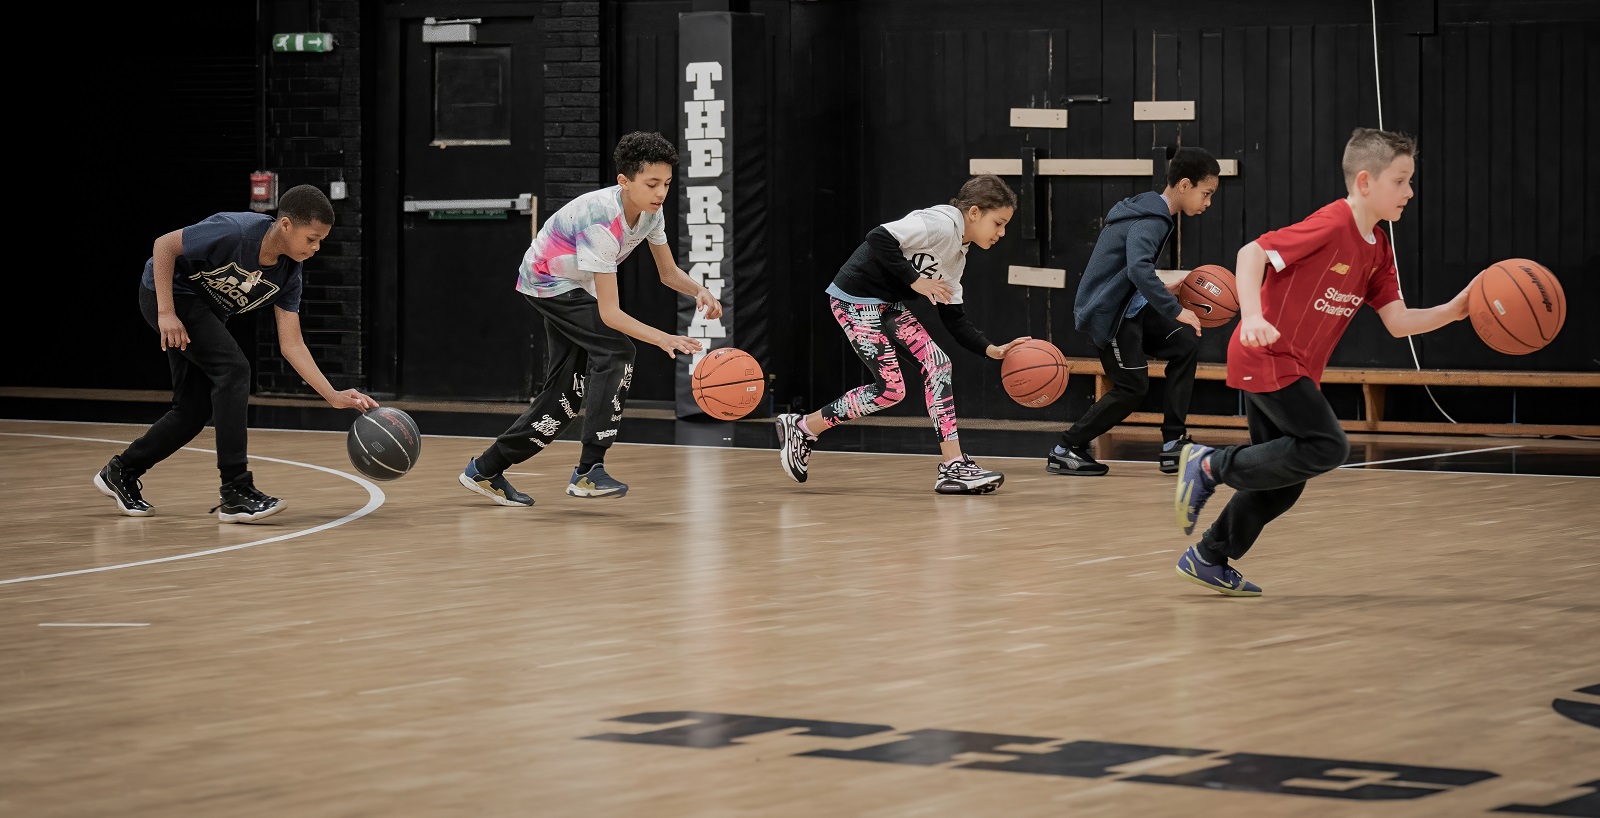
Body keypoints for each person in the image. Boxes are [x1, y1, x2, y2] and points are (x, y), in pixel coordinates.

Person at [1172, 127, 1471, 596]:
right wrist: (1251, 315)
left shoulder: (1379, 248)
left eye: (1411, 181)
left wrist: (1456, 310)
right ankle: (1210, 465)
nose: (1410, 192)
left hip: (1288, 365)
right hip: (1268, 352)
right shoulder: (1333, 222)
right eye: (1401, 180)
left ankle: (1209, 556)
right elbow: (1251, 253)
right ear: (1366, 182)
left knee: (1285, 481)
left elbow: (1397, 321)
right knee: (1328, 446)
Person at [459, 131, 722, 506]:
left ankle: (485, 469)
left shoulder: (650, 211)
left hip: (578, 287)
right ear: (624, 181)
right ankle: (588, 472)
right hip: (548, 282)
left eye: (666, 183)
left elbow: (667, 272)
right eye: (651, 184)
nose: (661, 192)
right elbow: (610, 314)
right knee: (617, 351)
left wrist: (698, 289)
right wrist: (663, 338)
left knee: (565, 395)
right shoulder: (601, 220)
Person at [94, 184, 379, 523]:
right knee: (234, 370)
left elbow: (292, 344)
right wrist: (166, 313)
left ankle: (121, 471)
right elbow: (164, 246)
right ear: (286, 225)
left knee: (193, 409)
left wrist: (331, 395)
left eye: (321, 241)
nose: (316, 248)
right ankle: (236, 490)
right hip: (169, 293)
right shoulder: (236, 231)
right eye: (311, 238)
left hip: (203, 312)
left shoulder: (290, 273)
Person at [774, 174, 1030, 494]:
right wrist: (915, 281)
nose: (1002, 233)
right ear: (975, 212)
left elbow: (954, 318)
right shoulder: (939, 223)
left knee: (939, 365)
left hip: (885, 304)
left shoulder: (958, 253)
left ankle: (953, 466)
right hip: (854, 298)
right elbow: (879, 237)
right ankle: (803, 427)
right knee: (891, 390)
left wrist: (991, 349)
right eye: (999, 223)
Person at [1047, 146, 1220, 477]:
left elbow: (1132, 270)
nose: (1208, 202)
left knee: (1185, 343)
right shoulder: (1152, 220)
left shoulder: (1151, 212)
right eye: (1206, 193)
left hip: (1130, 307)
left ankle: (1173, 445)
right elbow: (1138, 268)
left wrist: (1160, 292)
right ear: (1184, 185)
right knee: (1132, 388)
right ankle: (1066, 448)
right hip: (1109, 315)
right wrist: (1174, 308)